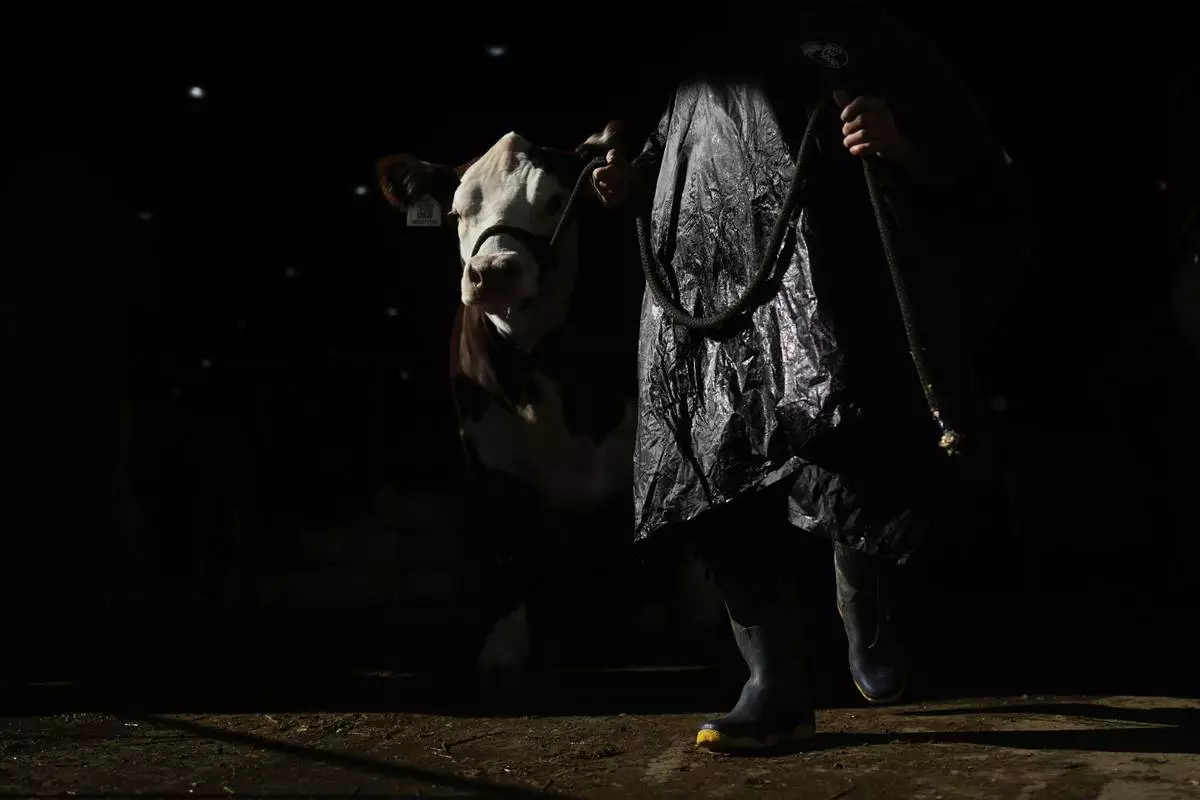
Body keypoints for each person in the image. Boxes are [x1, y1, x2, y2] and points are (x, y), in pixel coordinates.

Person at [592, 2, 1022, 753]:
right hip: (708, 297)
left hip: (828, 291)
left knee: (842, 464)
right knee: (713, 482)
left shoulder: (875, 35)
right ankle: (774, 686)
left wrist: (902, 142)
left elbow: (978, 162)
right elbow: (672, 146)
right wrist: (630, 178)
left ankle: (862, 598)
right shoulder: (711, 50)